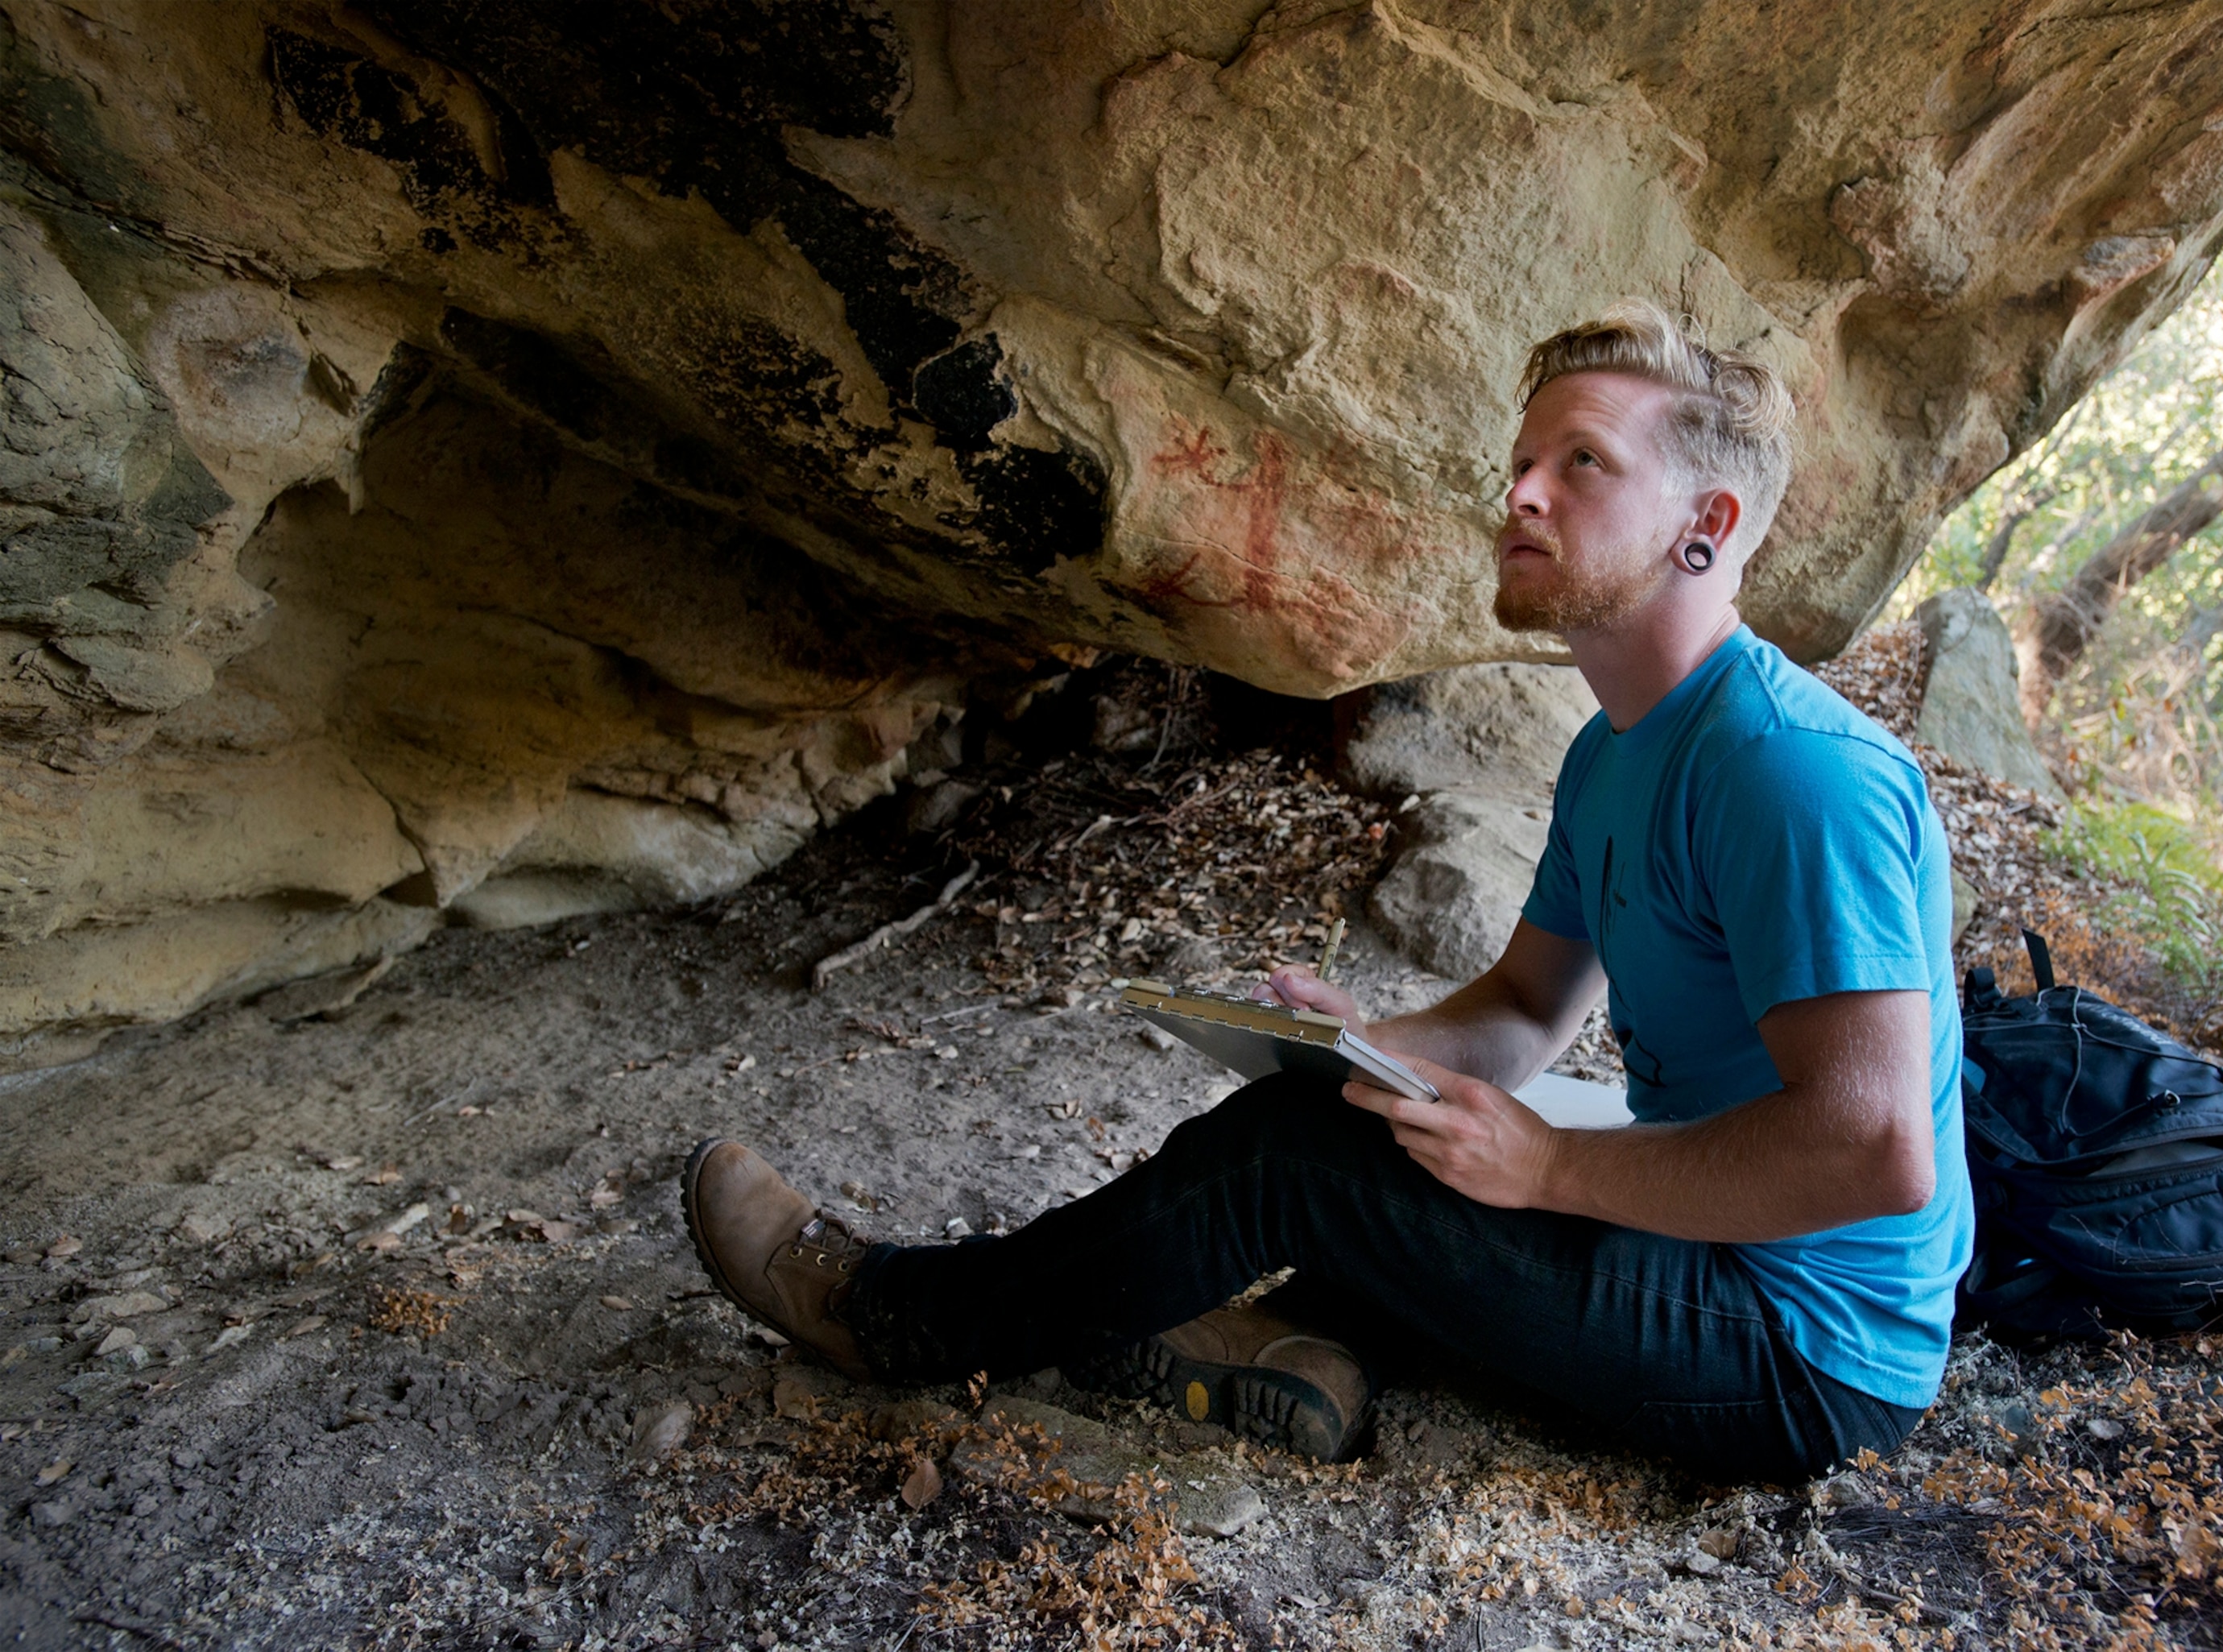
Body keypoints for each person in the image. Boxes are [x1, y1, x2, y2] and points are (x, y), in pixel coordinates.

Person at [681, 299, 1969, 1484]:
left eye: (1582, 462)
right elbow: (1526, 1006)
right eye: (1521, 461)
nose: (1520, 492)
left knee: (1289, 1166)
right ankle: (1303, 1353)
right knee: (1365, 1131)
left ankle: (891, 1320)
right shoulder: (1614, 751)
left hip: (1807, 1352)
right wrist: (1358, 1049)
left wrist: (1554, 1171)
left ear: (1709, 525)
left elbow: (1872, 1152)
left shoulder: (1792, 775)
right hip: (1707, 1253)